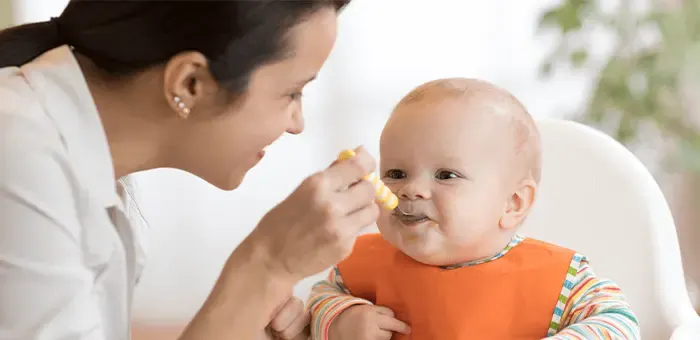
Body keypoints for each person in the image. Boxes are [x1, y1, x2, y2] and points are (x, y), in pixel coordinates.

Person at [0, 1, 384, 339]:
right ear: (190, 83)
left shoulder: (77, 159)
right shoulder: (18, 155)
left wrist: (242, 319)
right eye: (292, 93)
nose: (297, 123)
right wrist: (266, 266)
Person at [306, 78, 641, 339]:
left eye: (446, 175)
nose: (411, 189)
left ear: (513, 203)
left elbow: (619, 322)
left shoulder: (561, 281)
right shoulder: (361, 264)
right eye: (395, 174)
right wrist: (340, 319)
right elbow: (320, 298)